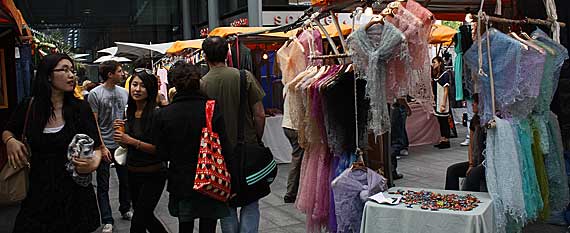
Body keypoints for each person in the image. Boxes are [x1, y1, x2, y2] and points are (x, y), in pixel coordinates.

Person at [2, 53, 103, 233]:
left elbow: (96, 147)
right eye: (64, 70)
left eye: (72, 70)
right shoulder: (30, 107)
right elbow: (8, 129)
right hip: (39, 194)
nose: (71, 75)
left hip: (75, 194)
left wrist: (93, 162)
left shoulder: (81, 108)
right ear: (48, 75)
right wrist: (10, 141)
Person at [154, 63, 231, 233]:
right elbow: (225, 146)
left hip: (181, 180)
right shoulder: (210, 108)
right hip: (211, 176)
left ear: (174, 84)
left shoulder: (165, 114)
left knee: (185, 225)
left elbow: (162, 153)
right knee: (208, 226)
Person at [201, 36, 266, 233]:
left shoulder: (202, 84)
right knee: (251, 202)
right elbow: (260, 114)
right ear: (227, 54)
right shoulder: (243, 76)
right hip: (247, 147)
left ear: (205, 57)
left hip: (218, 153)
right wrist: (256, 139)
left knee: (226, 203)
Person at [113, 69, 168, 233]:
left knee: (137, 223)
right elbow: (124, 145)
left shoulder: (157, 114)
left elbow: (160, 150)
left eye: (142, 86)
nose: (137, 89)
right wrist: (121, 137)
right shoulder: (128, 112)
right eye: (134, 85)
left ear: (150, 89)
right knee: (145, 217)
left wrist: (131, 141)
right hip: (132, 172)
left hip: (153, 174)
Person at [89, 60, 132, 233]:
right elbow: (94, 123)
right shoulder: (94, 94)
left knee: (125, 180)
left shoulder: (124, 92)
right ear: (110, 74)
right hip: (104, 144)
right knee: (103, 183)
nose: (123, 74)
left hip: (121, 142)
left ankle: (125, 208)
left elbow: (127, 115)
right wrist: (100, 146)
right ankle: (107, 218)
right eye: (120, 71)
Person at [431, 56, 451, 149]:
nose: (433, 64)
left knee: (444, 121)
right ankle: (442, 139)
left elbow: (446, 90)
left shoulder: (445, 74)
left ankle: (446, 140)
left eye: (434, 62)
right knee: (440, 121)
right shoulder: (437, 75)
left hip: (443, 100)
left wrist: (443, 103)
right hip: (438, 100)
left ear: (440, 63)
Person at [390, 96, 412, 180]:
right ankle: (392, 170)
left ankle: (391, 170)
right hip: (396, 109)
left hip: (392, 108)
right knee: (397, 140)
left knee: (394, 140)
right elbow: (399, 95)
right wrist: (406, 107)